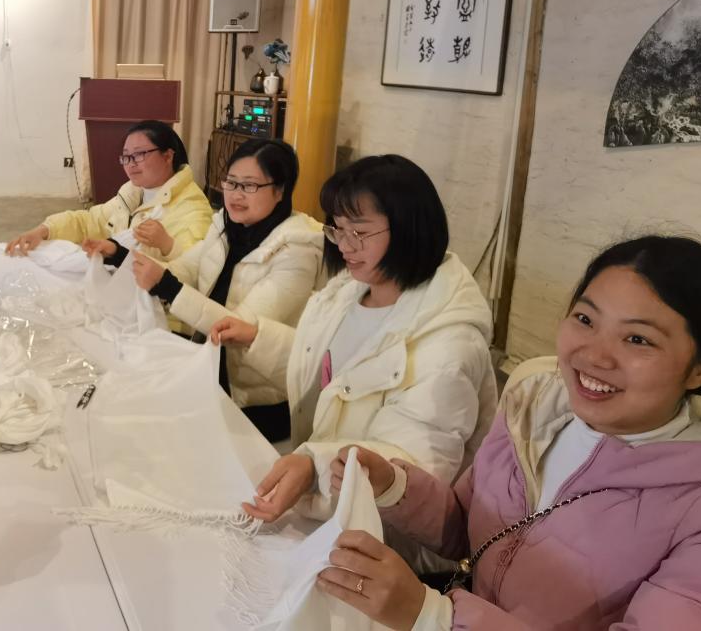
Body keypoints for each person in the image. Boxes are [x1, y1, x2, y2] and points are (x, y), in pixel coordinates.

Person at [319, 235, 701, 630]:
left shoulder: (697, 505)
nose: (594, 355)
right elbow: (472, 530)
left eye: (638, 339)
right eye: (585, 319)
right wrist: (394, 487)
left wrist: (435, 617)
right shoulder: (532, 410)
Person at [213, 155, 497, 525]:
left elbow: (410, 470)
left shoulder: (448, 345)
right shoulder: (350, 291)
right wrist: (258, 338)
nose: (345, 245)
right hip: (328, 507)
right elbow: (327, 373)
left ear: (409, 229)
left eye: (359, 232)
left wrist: (314, 467)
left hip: (384, 534)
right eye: (338, 229)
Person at [126, 138, 324, 442]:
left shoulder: (298, 251)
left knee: (157, 431)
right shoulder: (225, 225)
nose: (235, 194)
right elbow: (189, 267)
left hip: (255, 397)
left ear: (280, 190)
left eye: (250, 185)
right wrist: (124, 259)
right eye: (231, 182)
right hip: (209, 365)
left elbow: (238, 327)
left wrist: (166, 286)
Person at [5, 120, 212, 264]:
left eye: (139, 154)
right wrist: (44, 230)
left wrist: (168, 245)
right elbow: (89, 221)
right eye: (126, 157)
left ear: (167, 156)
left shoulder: (192, 208)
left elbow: (196, 273)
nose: (130, 164)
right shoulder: (133, 193)